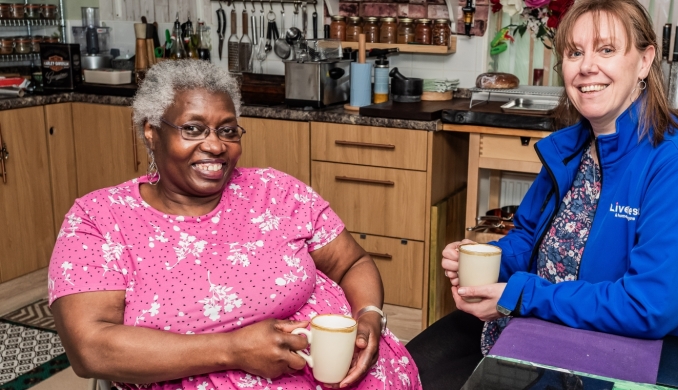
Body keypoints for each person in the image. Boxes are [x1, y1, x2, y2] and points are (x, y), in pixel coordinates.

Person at [406, 0, 678, 388]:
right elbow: (528, 238)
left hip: (628, 359)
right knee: (401, 370)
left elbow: (650, 307)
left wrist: (523, 295)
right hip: (540, 329)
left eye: (607, 49)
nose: (586, 67)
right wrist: (486, 263)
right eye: (575, 52)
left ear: (645, 61)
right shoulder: (574, 147)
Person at [48, 60, 420, 390]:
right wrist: (232, 350)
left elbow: (351, 263)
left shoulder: (277, 191)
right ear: (151, 131)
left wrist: (369, 315)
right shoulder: (99, 218)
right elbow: (90, 349)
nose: (215, 146)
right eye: (193, 129)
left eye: (228, 130)